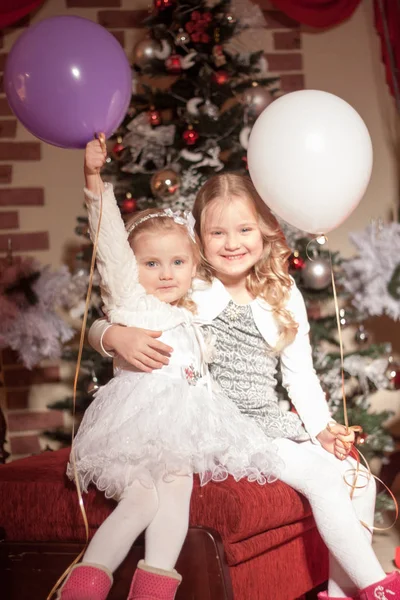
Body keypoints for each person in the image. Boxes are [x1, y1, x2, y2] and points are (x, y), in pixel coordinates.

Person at [89, 172, 400, 600]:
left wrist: (323, 428)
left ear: (264, 231)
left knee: (359, 483)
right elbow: (124, 304)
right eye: (218, 232)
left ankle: (344, 594)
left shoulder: (282, 291)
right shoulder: (190, 285)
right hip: (221, 426)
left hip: (267, 417)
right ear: (199, 238)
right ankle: (379, 590)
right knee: (322, 479)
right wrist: (109, 336)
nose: (232, 243)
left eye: (244, 230)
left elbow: (299, 374)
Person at [56, 142, 282, 600]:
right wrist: (94, 183)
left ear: (193, 265)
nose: (165, 273)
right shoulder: (132, 301)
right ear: (133, 269)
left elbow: (220, 260)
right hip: (137, 420)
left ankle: (153, 590)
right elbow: (110, 245)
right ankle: (84, 586)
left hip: (184, 423)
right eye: (151, 264)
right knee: (141, 499)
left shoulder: (193, 303)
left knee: (175, 492)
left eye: (178, 262)